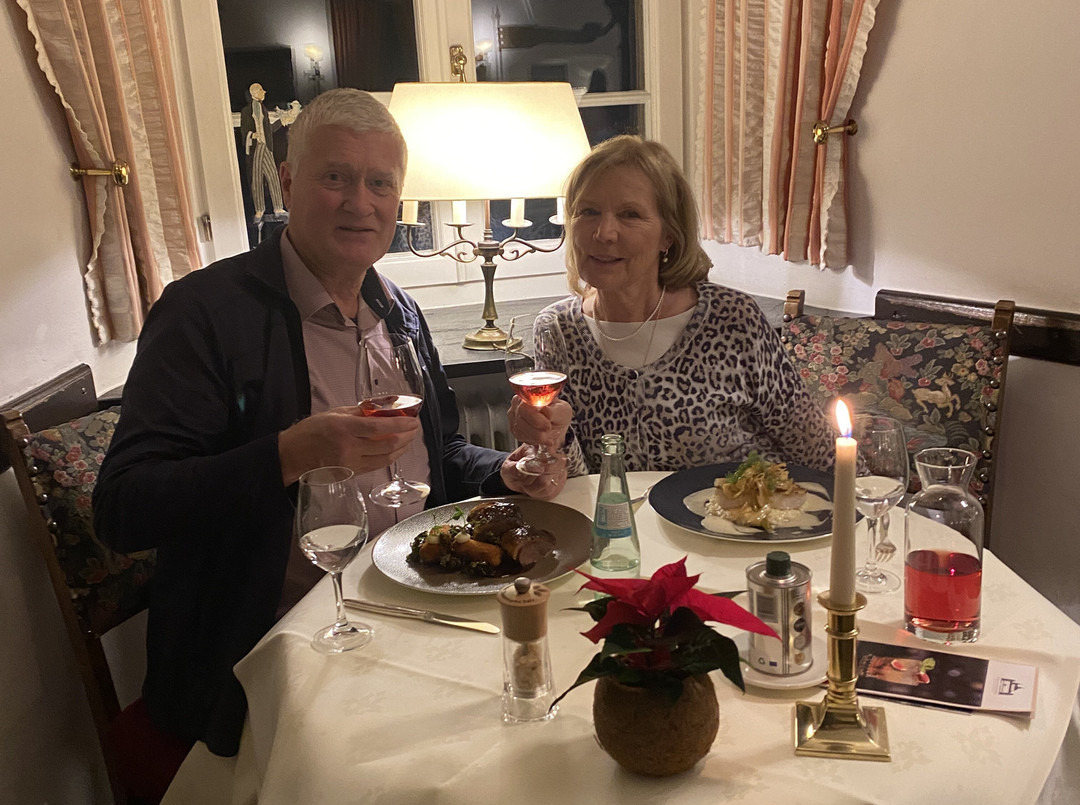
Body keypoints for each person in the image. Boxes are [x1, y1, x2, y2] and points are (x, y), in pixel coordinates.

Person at [93, 88, 564, 758]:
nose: (360, 203)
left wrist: (507, 471)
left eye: (380, 183)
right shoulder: (203, 314)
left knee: (539, 713)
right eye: (336, 177)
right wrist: (288, 454)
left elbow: (444, 453)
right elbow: (123, 509)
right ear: (288, 184)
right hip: (272, 647)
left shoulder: (399, 310)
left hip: (417, 608)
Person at [509, 134, 835, 476]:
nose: (604, 233)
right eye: (588, 211)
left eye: (630, 214)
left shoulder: (733, 320)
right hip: (615, 513)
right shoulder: (558, 329)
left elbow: (818, 451)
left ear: (669, 235)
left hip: (743, 509)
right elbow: (577, 481)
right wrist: (553, 442)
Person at [240, 82, 286, 219]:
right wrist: (252, 135)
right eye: (261, 90)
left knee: (272, 175)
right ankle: (259, 209)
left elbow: (268, 129)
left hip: (265, 146)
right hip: (256, 147)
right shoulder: (246, 111)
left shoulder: (263, 109)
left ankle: (278, 207)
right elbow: (244, 131)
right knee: (256, 178)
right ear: (254, 93)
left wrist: (282, 120)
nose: (263, 92)